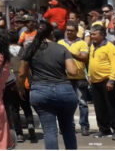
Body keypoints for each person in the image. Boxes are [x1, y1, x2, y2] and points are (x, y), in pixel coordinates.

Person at [18, 21, 78, 150]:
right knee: (68, 129)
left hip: (41, 91)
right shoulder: (61, 48)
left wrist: (20, 88)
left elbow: (22, 73)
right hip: (65, 91)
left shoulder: (30, 49)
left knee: (50, 131)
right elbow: (73, 71)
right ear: (52, 33)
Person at [88, 25, 115, 140]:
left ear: (102, 35)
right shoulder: (93, 46)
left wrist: (112, 80)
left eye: (94, 34)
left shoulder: (110, 47)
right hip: (95, 81)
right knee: (99, 107)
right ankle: (104, 129)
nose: (92, 36)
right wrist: (89, 75)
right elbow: (91, 62)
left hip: (107, 81)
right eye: (91, 34)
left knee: (112, 106)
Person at [58, 20, 91, 136]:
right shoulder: (60, 43)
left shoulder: (82, 43)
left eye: (72, 31)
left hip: (80, 77)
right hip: (64, 78)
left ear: (77, 31)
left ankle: (84, 126)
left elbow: (84, 58)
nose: (69, 33)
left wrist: (70, 54)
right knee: (65, 103)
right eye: (67, 31)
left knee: (82, 103)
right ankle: (67, 126)